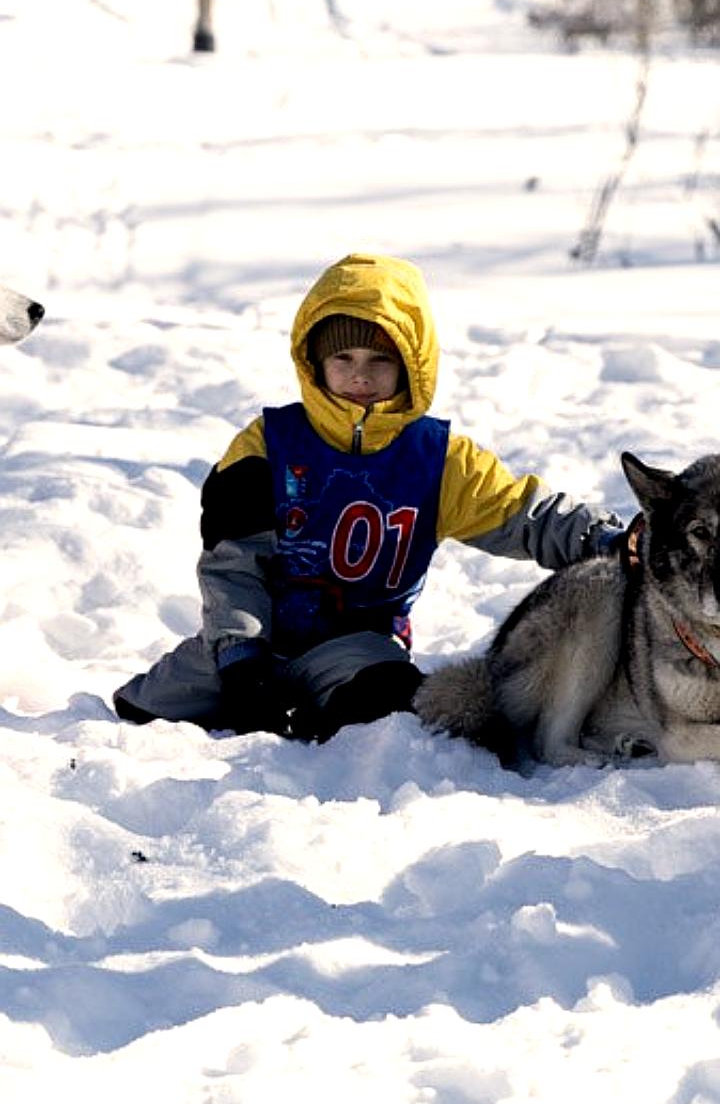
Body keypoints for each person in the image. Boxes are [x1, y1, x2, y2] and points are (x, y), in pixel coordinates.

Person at [113, 252, 623, 742]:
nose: (361, 375)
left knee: (389, 708)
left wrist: (615, 540)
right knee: (140, 715)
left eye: (381, 359)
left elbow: (526, 516)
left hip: (354, 645)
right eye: (344, 357)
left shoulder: (438, 460)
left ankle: (325, 713)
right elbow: (232, 566)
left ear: (412, 366)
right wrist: (241, 658)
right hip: (247, 641)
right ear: (314, 360)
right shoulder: (265, 446)